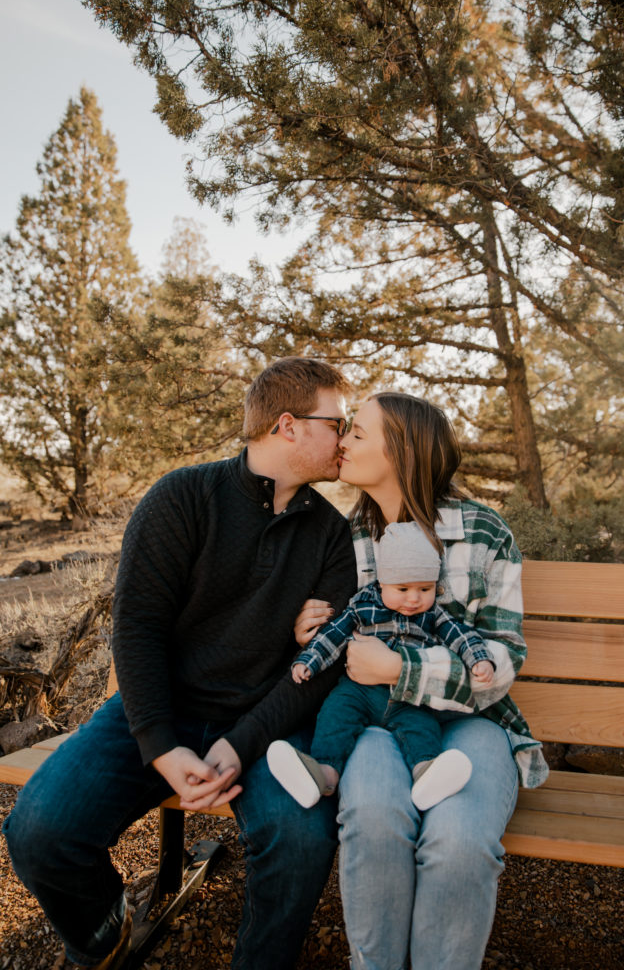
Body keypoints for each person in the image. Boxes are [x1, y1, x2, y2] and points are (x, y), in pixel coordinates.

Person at [2, 357, 358, 970]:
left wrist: (241, 744)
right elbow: (136, 629)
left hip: (266, 724)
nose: (346, 437)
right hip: (159, 709)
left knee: (300, 840)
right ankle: (102, 935)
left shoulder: (332, 535)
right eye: (338, 422)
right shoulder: (184, 497)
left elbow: (318, 667)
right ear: (289, 426)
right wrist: (163, 747)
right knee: (37, 833)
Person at [293, 392, 549, 970]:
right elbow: (342, 640)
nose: (342, 441)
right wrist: (305, 630)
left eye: (357, 432)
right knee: (374, 823)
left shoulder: (484, 532)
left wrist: (401, 669)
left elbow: (502, 659)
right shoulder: (343, 535)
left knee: (458, 843)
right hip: (378, 721)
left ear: (402, 450)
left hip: (475, 724)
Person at [267, 520, 495, 811]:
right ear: (383, 582)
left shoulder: (432, 614)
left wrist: (478, 658)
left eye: (424, 589)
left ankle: (427, 773)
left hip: (407, 695)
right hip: (360, 690)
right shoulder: (363, 606)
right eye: (402, 588)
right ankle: (324, 773)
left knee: (421, 727)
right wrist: (308, 661)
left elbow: (460, 634)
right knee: (335, 714)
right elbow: (333, 635)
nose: (413, 599)